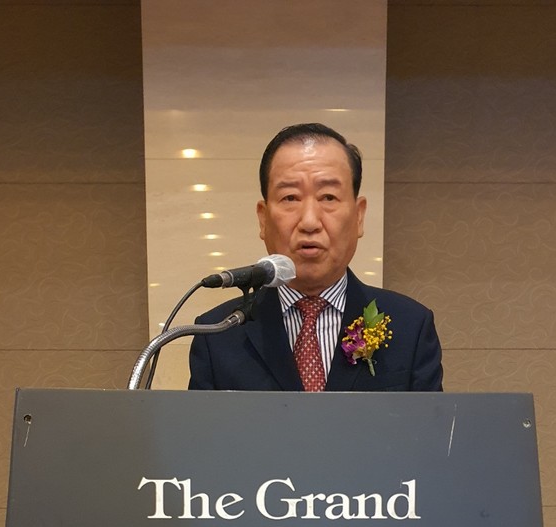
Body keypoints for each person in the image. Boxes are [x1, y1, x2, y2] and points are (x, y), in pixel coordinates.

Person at [188, 123, 443, 392]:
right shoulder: (217, 334)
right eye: (290, 197)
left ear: (358, 216)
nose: (309, 221)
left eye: (328, 197)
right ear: (263, 219)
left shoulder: (410, 327)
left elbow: (430, 421)